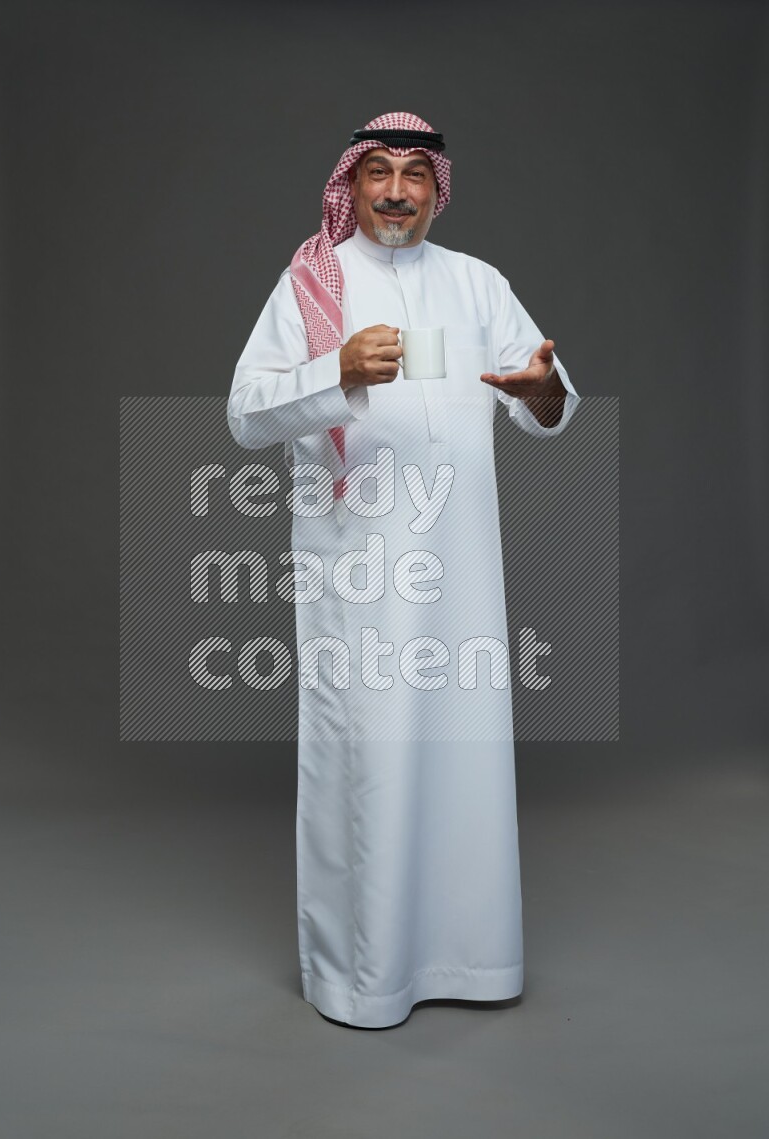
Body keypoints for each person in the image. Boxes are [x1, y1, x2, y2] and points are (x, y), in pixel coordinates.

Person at [227, 111, 579, 1028]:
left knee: (464, 757)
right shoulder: (317, 281)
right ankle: (364, 976)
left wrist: (544, 390)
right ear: (355, 180)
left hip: (462, 572)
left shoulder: (478, 283)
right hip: (361, 572)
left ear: (437, 188)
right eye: (378, 171)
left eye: (414, 174)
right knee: (372, 761)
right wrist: (335, 369)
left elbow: (548, 396)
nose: (394, 190)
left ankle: (473, 959)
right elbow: (245, 413)